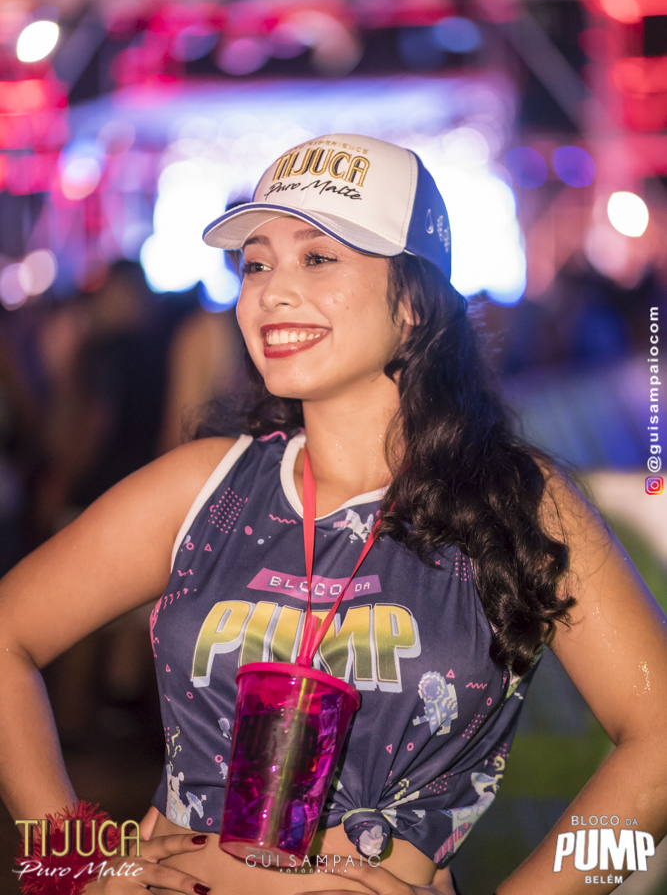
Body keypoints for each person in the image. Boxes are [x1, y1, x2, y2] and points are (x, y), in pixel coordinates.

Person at [0, 133, 665, 895]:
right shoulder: (203, 487)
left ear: (412, 301)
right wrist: (70, 859)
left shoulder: (516, 502)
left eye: (318, 258)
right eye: (255, 264)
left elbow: (659, 751)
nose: (271, 292)